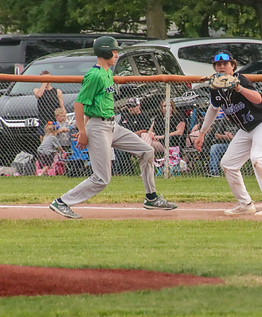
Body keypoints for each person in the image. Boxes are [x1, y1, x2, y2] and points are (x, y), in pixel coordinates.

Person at [49, 36, 176, 219]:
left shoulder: (108, 72)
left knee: (146, 151)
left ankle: (151, 197)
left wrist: (85, 128)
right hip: (98, 127)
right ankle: (62, 202)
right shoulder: (94, 75)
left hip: (111, 125)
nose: (117, 55)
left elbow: (93, 104)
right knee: (102, 178)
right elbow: (79, 104)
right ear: (105, 52)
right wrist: (83, 131)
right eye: (114, 51)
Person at [194, 50, 262, 216]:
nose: (222, 67)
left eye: (225, 64)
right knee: (228, 164)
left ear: (233, 66)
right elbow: (213, 109)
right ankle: (245, 204)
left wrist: (239, 88)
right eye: (218, 64)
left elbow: (257, 99)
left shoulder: (240, 79)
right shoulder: (215, 87)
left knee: (258, 158)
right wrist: (202, 133)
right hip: (247, 129)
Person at [113, 97, 152, 175]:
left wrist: (131, 135)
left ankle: (126, 171)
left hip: (137, 139)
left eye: (133, 106)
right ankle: (121, 172)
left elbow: (145, 130)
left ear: (138, 106)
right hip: (125, 139)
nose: (130, 108)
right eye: (129, 106)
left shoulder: (143, 116)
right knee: (116, 147)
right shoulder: (125, 116)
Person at [34, 71, 65, 142]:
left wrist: (65, 118)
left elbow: (62, 106)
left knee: (55, 138)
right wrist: (44, 84)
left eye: (48, 78)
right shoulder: (37, 90)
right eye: (44, 79)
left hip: (54, 118)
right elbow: (39, 95)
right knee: (43, 138)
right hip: (43, 118)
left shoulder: (57, 91)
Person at [206, 110, 236, 177]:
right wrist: (227, 136)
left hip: (237, 146)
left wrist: (229, 137)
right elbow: (216, 135)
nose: (226, 115)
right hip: (226, 145)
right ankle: (214, 172)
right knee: (214, 147)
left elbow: (237, 139)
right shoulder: (224, 120)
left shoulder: (237, 121)